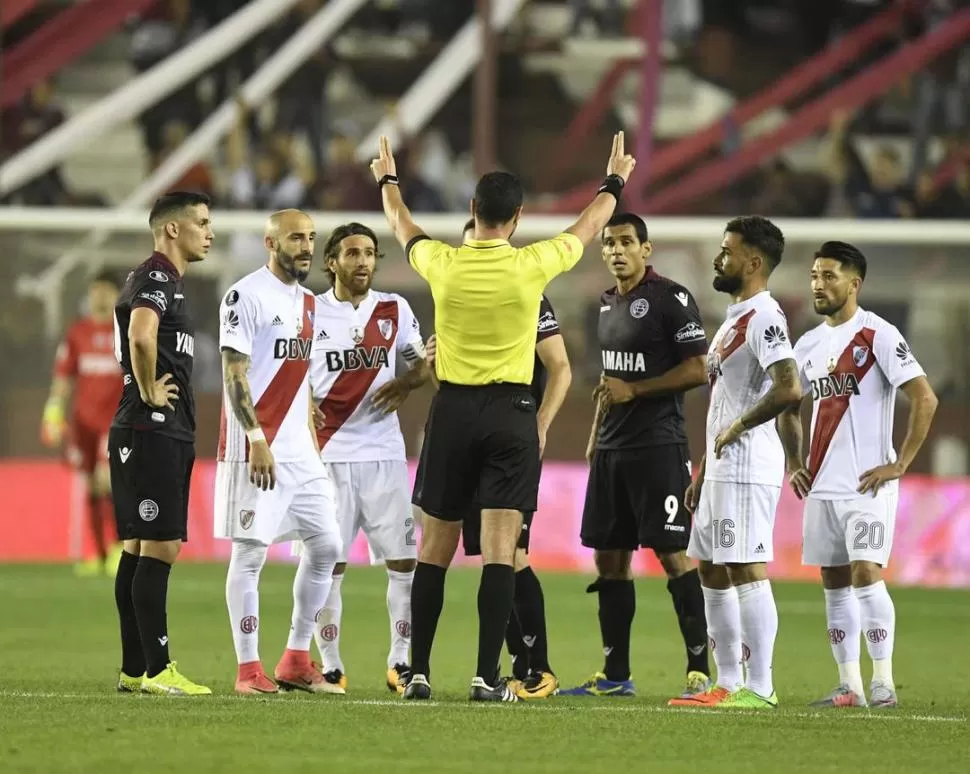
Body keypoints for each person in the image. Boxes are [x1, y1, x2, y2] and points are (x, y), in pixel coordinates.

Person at [368, 131, 636, 702]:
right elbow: (588, 227)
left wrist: (387, 179)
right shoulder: (530, 267)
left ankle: (417, 672)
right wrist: (614, 179)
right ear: (516, 217)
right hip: (511, 412)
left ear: (471, 210)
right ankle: (487, 675)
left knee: (434, 549)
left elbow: (399, 223)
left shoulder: (442, 263)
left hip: (453, 410)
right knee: (500, 551)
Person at [779, 241, 937, 709]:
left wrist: (901, 463)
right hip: (821, 486)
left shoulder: (879, 335)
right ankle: (849, 685)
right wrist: (794, 462)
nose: (819, 284)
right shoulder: (807, 344)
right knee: (833, 580)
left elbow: (924, 398)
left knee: (866, 572)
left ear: (854, 283)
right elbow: (788, 405)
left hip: (868, 484)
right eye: (814, 275)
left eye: (829, 276)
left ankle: (884, 681)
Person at [560, 212, 712, 700]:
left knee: (672, 554)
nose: (617, 250)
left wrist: (638, 390)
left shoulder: (672, 299)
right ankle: (616, 675)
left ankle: (699, 669)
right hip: (612, 447)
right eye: (609, 243)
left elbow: (697, 370)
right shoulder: (604, 305)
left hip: (659, 446)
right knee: (609, 560)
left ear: (646, 249)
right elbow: (611, 386)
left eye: (627, 241)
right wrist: (595, 434)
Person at [418, 221, 572, 701]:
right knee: (487, 552)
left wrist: (542, 424)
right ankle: (488, 672)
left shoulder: (527, 292)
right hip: (475, 429)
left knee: (509, 553)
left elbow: (561, 366)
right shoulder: (457, 294)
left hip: (505, 430)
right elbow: (449, 379)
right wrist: (432, 368)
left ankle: (535, 666)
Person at [674, 215, 803, 709]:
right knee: (709, 567)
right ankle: (726, 682)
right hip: (722, 467)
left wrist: (739, 429)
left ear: (753, 262)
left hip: (750, 464)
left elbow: (789, 387)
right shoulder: (734, 318)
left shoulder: (765, 318)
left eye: (727, 251)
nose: (718, 258)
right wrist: (704, 467)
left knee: (745, 567)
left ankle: (762, 686)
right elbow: (725, 401)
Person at [216, 208, 342, 695]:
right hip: (257, 450)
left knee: (328, 546)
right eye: (296, 238)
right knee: (250, 556)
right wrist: (256, 438)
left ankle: (294, 657)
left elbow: (297, 368)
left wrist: (306, 407)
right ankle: (249, 671)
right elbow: (235, 373)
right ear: (272, 243)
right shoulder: (243, 295)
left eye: (311, 237)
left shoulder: (309, 303)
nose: (307, 246)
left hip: (300, 453)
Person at [305, 221, 430, 695]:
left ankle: (399, 661)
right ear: (332, 262)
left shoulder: (394, 309)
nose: (363, 261)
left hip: (383, 453)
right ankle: (331, 664)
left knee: (403, 562)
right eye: (352, 253)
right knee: (327, 564)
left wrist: (406, 381)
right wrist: (303, 403)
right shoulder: (310, 312)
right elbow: (285, 369)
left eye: (370, 253)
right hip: (329, 455)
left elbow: (422, 364)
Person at [109, 191, 213, 696]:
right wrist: (150, 387)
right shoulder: (155, 278)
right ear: (173, 230)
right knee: (161, 545)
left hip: (138, 429)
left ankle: (133, 668)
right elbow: (142, 333)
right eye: (201, 222)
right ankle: (157, 669)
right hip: (153, 429)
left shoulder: (154, 279)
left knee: (136, 548)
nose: (209, 232)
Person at [42, 271, 124, 577]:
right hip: (84, 422)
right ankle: (100, 555)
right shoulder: (78, 332)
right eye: (95, 291)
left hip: (115, 422)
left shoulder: (126, 331)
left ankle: (119, 549)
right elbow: (64, 375)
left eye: (105, 291)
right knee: (90, 484)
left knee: (108, 480)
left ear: (117, 294)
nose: (99, 297)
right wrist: (53, 411)